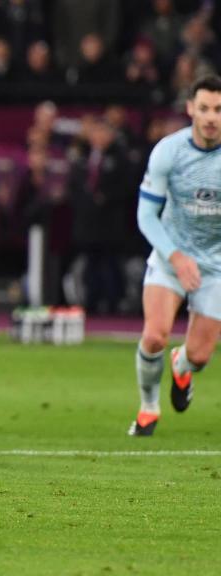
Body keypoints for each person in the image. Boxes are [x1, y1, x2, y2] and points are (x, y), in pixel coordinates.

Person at [129, 74, 221, 436]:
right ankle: (148, 408)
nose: (211, 116)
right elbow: (145, 215)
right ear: (190, 110)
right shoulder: (169, 151)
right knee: (154, 336)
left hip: (216, 265)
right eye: (204, 108)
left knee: (199, 356)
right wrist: (176, 256)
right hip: (171, 257)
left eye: (218, 109)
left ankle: (181, 368)